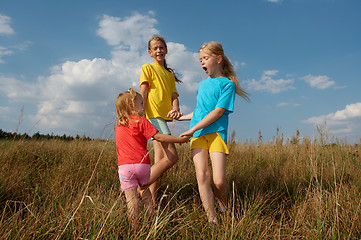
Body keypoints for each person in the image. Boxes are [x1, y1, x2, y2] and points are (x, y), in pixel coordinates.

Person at [179, 41, 249, 223]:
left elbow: (217, 112)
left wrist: (193, 127)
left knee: (218, 180)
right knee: (202, 176)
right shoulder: (201, 85)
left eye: (206, 58)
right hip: (197, 135)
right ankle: (212, 218)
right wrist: (181, 118)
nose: (202, 62)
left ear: (218, 59)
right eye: (200, 59)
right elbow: (200, 112)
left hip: (217, 133)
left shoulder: (227, 85)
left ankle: (223, 206)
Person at [115, 88, 189, 229]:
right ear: (132, 107)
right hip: (142, 166)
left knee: (132, 200)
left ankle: (135, 228)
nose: (144, 107)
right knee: (145, 192)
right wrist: (179, 139)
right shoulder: (141, 121)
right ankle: (151, 220)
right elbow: (159, 137)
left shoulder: (120, 124)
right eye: (141, 104)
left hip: (125, 167)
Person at [139, 35, 183, 204]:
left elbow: (174, 95)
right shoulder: (147, 68)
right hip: (153, 116)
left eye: (161, 47)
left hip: (163, 118)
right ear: (150, 52)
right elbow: (143, 91)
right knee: (172, 157)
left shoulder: (169, 75)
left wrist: (176, 109)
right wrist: (140, 113)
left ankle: (151, 202)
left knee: (160, 163)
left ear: (166, 50)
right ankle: (139, 188)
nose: (159, 50)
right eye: (155, 48)